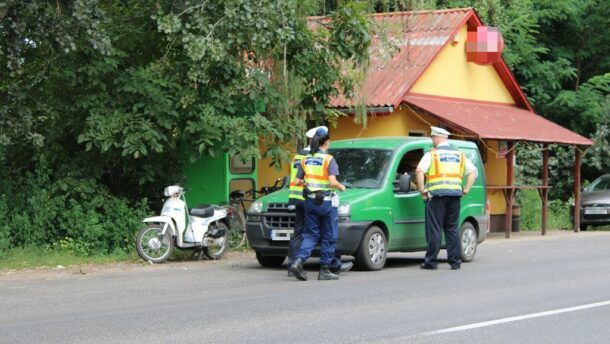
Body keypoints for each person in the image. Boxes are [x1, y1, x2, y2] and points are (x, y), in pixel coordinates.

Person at [289, 127, 347, 281]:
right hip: (326, 203)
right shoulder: (329, 159)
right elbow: (333, 182)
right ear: (326, 142)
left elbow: (297, 181)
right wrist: (342, 187)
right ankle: (325, 270)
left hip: (310, 202)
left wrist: (309, 184)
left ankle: (298, 262)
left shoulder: (305, 159)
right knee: (329, 236)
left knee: (310, 235)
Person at [415, 126, 477, 270]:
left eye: (432, 137)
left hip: (437, 196)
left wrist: (421, 190)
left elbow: (419, 170)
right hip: (455, 196)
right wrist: (466, 189)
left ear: (437, 137)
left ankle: (431, 262)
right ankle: (455, 262)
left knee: (435, 229)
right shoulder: (459, 155)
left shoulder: (433, 154)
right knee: (452, 229)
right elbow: (473, 172)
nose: (432, 140)